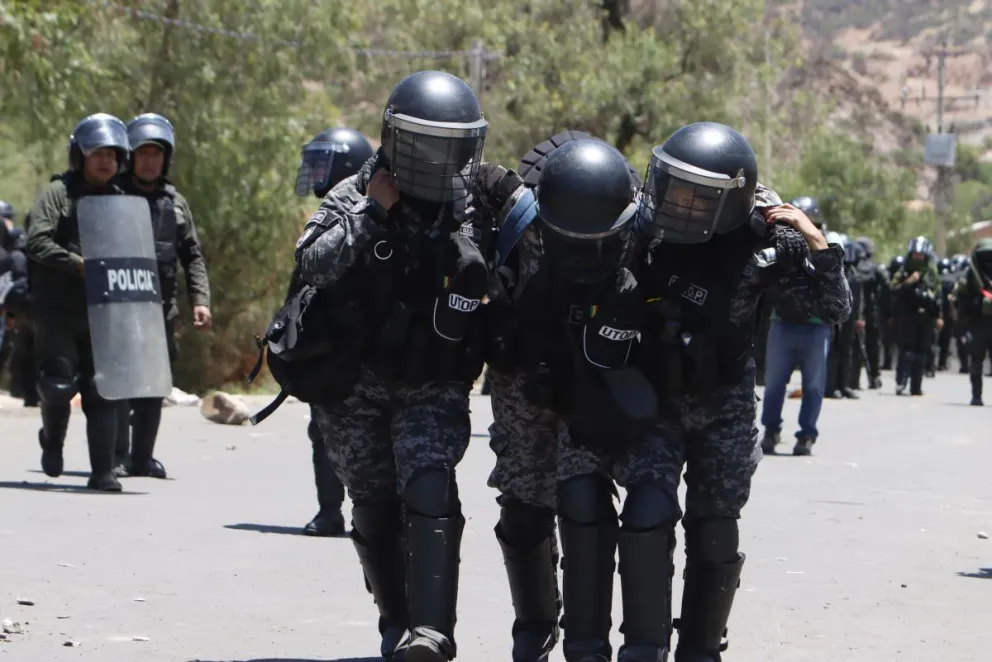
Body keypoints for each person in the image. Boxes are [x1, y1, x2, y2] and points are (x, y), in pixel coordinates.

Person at [294, 70, 522, 661]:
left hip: (435, 377)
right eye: (423, 143)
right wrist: (372, 214)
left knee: (428, 483)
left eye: (450, 146)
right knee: (371, 499)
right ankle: (396, 623)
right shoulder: (356, 192)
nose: (435, 158)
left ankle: (432, 632)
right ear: (394, 138)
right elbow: (314, 264)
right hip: (356, 382)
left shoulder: (475, 203)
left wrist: (520, 200)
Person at [629, 122, 851, 661]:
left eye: (696, 196)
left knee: (714, 527)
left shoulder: (760, 241)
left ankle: (701, 647)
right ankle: (643, 645)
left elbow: (834, 308)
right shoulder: (646, 226)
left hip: (722, 404)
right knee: (646, 515)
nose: (679, 202)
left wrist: (816, 242)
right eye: (675, 187)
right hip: (654, 399)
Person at [484, 132, 644, 662]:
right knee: (524, 506)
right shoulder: (516, 218)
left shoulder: (636, 220)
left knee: (583, 499)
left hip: (591, 377)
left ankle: (587, 642)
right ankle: (533, 626)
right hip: (523, 380)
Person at [25, 113, 131, 492]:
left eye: (113, 155)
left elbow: (137, 252)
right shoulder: (57, 194)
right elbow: (36, 241)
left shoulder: (124, 202)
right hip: (58, 311)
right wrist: (76, 264)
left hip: (105, 313)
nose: (106, 161)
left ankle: (102, 471)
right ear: (79, 155)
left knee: (102, 391)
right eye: (98, 153)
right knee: (57, 385)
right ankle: (52, 440)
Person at [113, 112, 212, 479]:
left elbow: (193, 255)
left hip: (160, 310)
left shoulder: (175, 203)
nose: (150, 161)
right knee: (121, 384)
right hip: (118, 310)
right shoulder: (113, 195)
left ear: (165, 158)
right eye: (143, 154)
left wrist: (201, 300)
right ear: (131, 157)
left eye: (156, 154)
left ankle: (142, 457)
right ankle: (117, 454)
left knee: (153, 386)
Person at [292, 126, 374, 536]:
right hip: (331, 341)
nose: (315, 171)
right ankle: (330, 511)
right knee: (321, 426)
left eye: (324, 162)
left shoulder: (371, 206)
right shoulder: (331, 208)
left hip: (367, 343)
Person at [759, 198, 834, 456]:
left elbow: (835, 284)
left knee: (813, 385)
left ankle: (806, 435)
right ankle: (770, 430)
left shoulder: (826, 247)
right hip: (783, 324)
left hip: (816, 328)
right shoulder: (781, 245)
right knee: (774, 383)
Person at [890, 236, 942, 396]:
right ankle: (901, 382)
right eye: (915, 254)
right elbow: (893, 289)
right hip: (908, 315)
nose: (918, 257)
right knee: (906, 350)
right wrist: (909, 282)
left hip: (926, 317)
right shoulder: (904, 270)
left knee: (921, 352)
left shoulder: (931, 271)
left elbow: (939, 294)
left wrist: (939, 316)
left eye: (921, 255)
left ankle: (916, 386)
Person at [952, 238, 992, 405]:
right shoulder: (970, 276)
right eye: (985, 257)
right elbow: (959, 301)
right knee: (976, 360)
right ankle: (976, 395)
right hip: (978, 323)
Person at [825, 234, 864, 399]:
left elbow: (859, 297)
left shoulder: (853, 273)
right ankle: (831, 386)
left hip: (849, 315)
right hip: (832, 314)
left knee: (847, 349)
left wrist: (860, 317)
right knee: (833, 349)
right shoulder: (829, 268)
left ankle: (845, 385)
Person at [852, 236, 884, 389]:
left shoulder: (853, 267)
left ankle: (854, 380)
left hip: (855, 312)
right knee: (873, 346)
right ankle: (874, 377)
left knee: (856, 346)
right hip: (872, 312)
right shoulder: (875, 268)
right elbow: (886, 288)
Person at [880, 255, 903, 370]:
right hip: (888, 314)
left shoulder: (903, 281)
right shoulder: (888, 282)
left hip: (900, 315)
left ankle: (897, 364)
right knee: (887, 340)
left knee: (899, 341)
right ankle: (887, 362)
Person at [936, 257, 957, 371]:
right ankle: (942, 363)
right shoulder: (953, 281)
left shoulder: (936, 279)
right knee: (945, 340)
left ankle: (930, 365)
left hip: (936, 314)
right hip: (947, 314)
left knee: (934, 340)